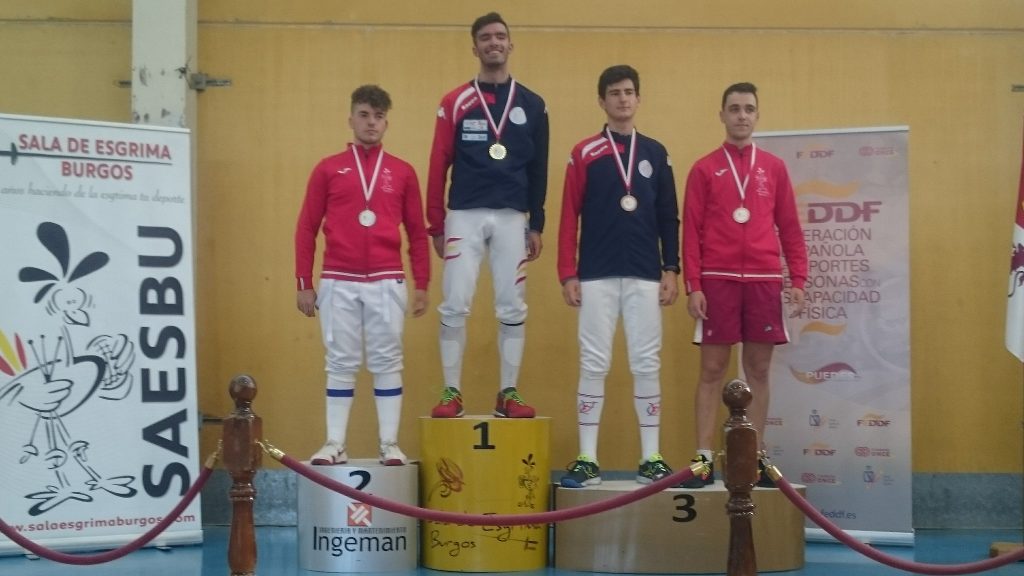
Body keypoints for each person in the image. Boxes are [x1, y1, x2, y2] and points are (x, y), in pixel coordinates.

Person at [679, 82, 808, 488]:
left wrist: (798, 277)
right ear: (722, 115)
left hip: (763, 280)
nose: (741, 115)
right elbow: (691, 232)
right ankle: (703, 459)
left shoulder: (773, 168)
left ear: (757, 115)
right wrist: (694, 284)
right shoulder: (703, 169)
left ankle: (753, 457)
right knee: (712, 369)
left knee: (758, 369)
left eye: (748, 108)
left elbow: (790, 226)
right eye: (734, 108)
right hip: (717, 280)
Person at [557, 65, 680, 487]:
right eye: (614, 93)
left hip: (646, 273)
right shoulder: (584, 153)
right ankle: (587, 458)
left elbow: (668, 216)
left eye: (629, 92)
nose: (623, 99)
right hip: (596, 274)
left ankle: (651, 457)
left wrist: (671, 268)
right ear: (602, 101)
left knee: (646, 362)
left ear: (638, 99)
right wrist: (567, 272)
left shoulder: (655, 153)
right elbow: (568, 215)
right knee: (594, 362)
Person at [295, 84, 430, 466]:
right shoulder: (328, 168)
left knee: (387, 361)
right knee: (340, 361)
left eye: (379, 116)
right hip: (338, 279)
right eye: (364, 115)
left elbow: (417, 232)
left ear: (387, 122)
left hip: (387, 280)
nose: (372, 123)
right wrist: (304, 282)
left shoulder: (402, 171)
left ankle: (389, 443)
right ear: (351, 119)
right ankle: (335, 443)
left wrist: (422, 283)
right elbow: (306, 227)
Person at [426, 12, 549, 419]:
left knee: (512, 305)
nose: (493, 42)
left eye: (499, 36)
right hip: (464, 215)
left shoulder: (533, 104)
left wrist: (537, 224)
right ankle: (451, 392)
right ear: (475, 47)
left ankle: (508, 393)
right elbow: (438, 163)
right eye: (485, 38)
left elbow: (539, 168)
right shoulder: (454, 102)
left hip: (513, 217)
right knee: (455, 302)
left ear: (510, 44)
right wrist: (435, 223)